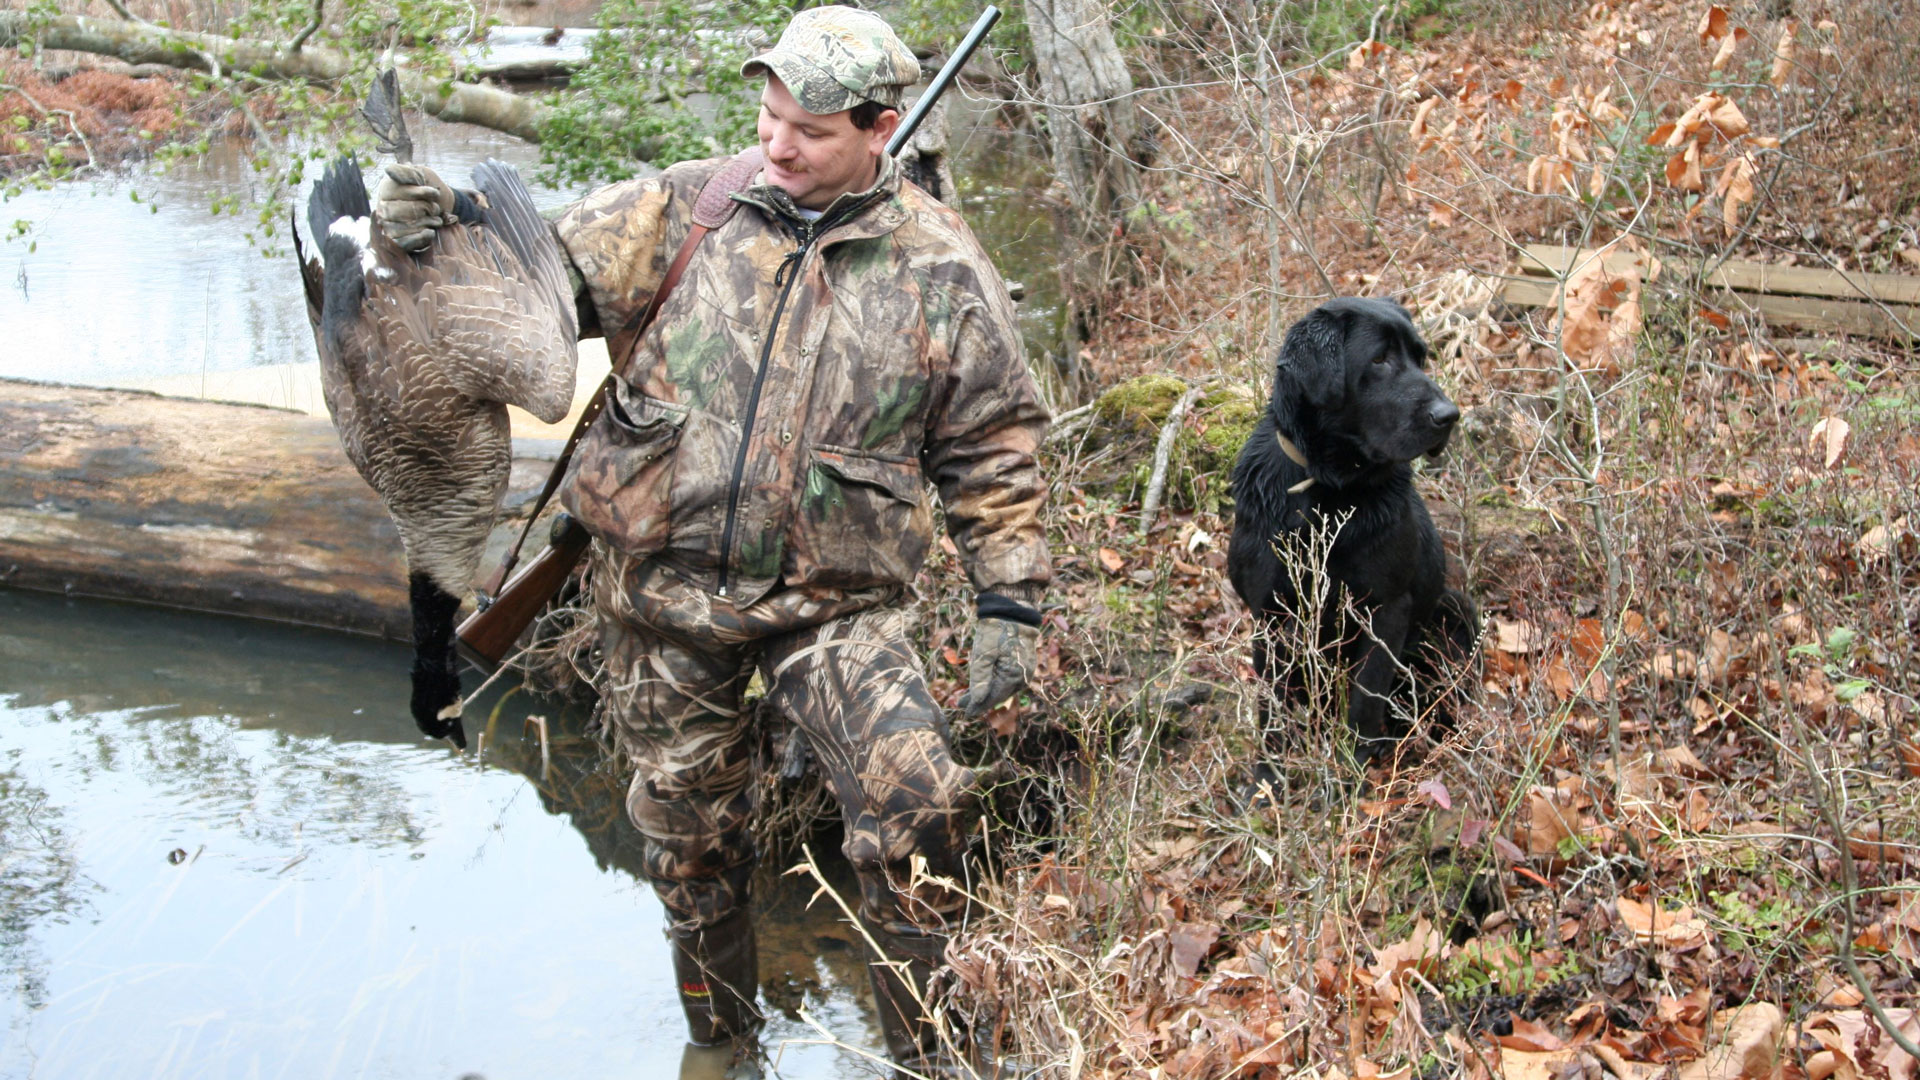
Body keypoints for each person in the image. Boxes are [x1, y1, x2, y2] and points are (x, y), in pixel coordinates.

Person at [372, 6, 1051, 1072]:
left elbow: (995, 444)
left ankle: (932, 1056)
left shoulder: (941, 266)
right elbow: (529, 285)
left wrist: (1012, 597)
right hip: (661, 597)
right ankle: (723, 1045)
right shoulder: (692, 205)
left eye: (809, 131)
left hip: (833, 609)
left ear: (881, 128)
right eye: (769, 115)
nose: (775, 144)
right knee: (691, 848)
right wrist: (439, 224)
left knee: (918, 804)